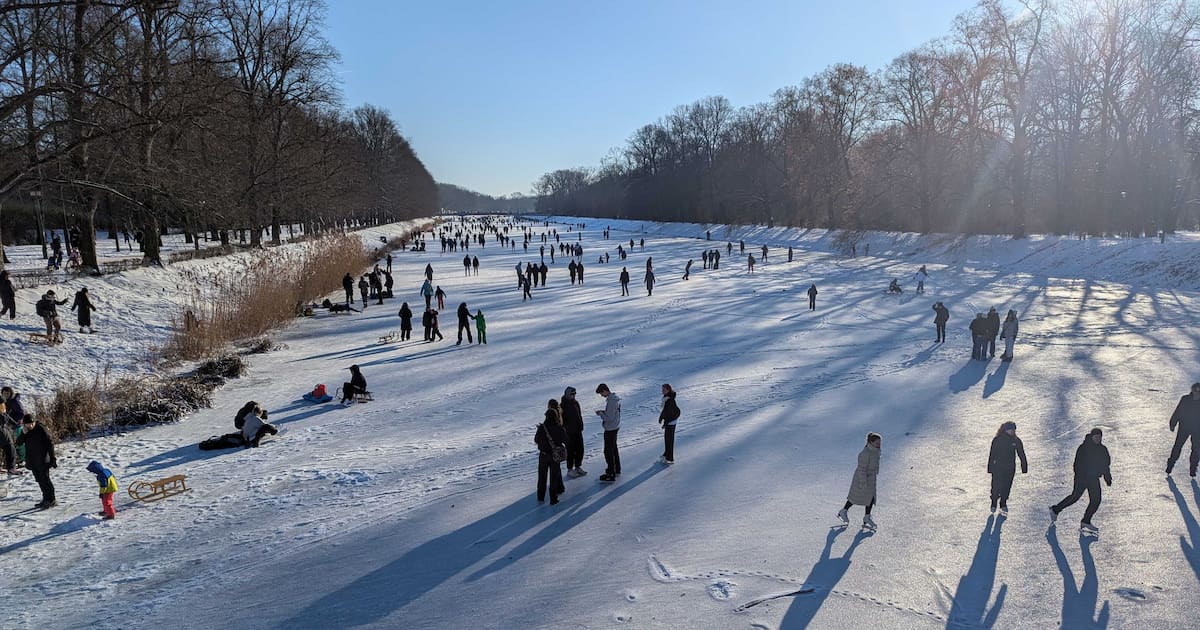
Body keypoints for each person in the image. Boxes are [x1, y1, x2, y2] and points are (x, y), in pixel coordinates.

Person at [1050, 428, 1112, 532]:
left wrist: (1107, 476)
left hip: (1093, 478)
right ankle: (1055, 509)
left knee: (1096, 500)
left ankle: (1086, 521)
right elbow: (1077, 464)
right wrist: (1080, 477)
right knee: (1075, 497)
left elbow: (1105, 464)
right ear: (1091, 437)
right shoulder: (1083, 448)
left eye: (1099, 437)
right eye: (1096, 437)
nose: (1098, 439)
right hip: (1082, 478)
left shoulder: (1103, 449)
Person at [836, 432, 881, 529]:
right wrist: (863, 482)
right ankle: (843, 511)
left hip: (871, 478)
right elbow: (861, 469)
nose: (879, 445)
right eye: (877, 443)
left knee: (870, 498)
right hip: (862, 478)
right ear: (871, 442)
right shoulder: (865, 453)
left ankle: (867, 517)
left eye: (879, 443)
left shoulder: (875, 451)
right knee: (855, 497)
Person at [16, 414, 56, 509]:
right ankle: (45, 499)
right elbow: (18, 443)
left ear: (34, 422)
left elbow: (50, 443)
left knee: (45, 479)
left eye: (31, 424)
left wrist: (52, 458)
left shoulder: (41, 428)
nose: (30, 426)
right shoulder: (26, 431)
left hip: (43, 459)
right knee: (39, 480)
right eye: (27, 424)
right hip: (32, 460)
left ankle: (52, 500)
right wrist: (23, 434)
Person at [987, 421, 1028, 513]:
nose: (1012, 431)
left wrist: (1024, 466)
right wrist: (990, 468)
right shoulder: (997, 440)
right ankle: (994, 502)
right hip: (998, 467)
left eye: (1014, 429)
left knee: (1007, 486)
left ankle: (1003, 503)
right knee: (996, 486)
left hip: (1010, 468)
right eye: (1010, 429)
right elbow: (992, 454)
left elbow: (1021, 454)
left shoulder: (1016, 441)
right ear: (1005, 430)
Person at [534, 399, 567, 504]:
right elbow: (566, 440)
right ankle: (553, 498)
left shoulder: (541, 428)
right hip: (555, 456)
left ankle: (540, 497)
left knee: (542, 476)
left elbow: (536, 440)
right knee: (553, 477)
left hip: (543, 455)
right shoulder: (559, 428)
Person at [1167, 383, 1200, 476]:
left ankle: (1193, 469)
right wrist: (1172, 423)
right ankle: (1170, 465)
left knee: (1196, 449)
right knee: (1177, 446)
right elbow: (1178, 411)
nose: (1196, 394)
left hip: (1197, 430)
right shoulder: (1185, 399)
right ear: (1192, 390)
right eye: (1195, 391)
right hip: (1184, 427)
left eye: (1198, 392)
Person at [595, 384, 622, 482]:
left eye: (601, 393)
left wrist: (601, 414)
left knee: (608, 451)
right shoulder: (615, 399)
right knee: (614, 449)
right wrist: (603, 412)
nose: (601, 396)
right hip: (615, 426)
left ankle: (611, 472)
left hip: (610, 429)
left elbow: (609, 418)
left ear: (605, 390)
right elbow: (612, 414)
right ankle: (616, 469)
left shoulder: (611, 401)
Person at [561, 387, 586, 477]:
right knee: (570, 451)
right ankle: (570, 469)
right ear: (567, 394)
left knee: (580, 449)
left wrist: (581, 425)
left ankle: (578, 466)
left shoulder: (576, 403)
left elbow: (579, 415)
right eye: (572, 394)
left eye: (575, 394)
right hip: (569, 432)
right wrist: (565, 429)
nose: (574, 395)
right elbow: (561, 420)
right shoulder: (563, 405)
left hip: (578, 430)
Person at [658, 383, 680, 464]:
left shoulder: (670, 400)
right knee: (667, 439)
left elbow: (670, 413)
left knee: (669, 440)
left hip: (671, 422)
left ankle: (670, 459)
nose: (662, 391)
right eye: (662, 389)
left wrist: (665, 423)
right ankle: (666, 455)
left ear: (668, 390)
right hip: (669, 421)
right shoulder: (666, 398)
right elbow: (665, 411)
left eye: (664, 389)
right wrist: (661, 418)